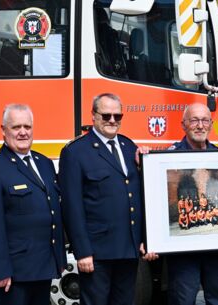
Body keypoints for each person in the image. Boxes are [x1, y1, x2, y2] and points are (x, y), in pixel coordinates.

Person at [58, 93, 156, 305]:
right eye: (106, 115)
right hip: (97, 252)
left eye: (117, 116)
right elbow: (72, 207)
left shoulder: (130, 147)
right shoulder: (75, 152)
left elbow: (139, 198)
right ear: (93, 115)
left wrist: (145, 239)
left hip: (128, 249)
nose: (112, 120)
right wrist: (82, 252)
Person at [0, 104, 66, 305]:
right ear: (4, 130)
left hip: (44, 266)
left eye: (27, 127)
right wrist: (0, 270)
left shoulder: (44, 163)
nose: (23, 132)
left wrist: (59, 260)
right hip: (15, 272)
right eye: (16, 127)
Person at [166, 103, 218, 305]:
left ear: (211, 124)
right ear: (183, 125)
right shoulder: (167, 159)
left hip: (217, 247)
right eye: (194, 120)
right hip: (183, 248)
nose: (200, 125)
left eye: (205, 120)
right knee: (182, 300)